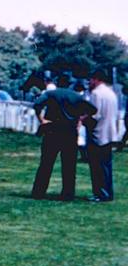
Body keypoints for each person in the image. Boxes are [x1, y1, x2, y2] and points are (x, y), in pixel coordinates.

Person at [31, 72, 95, 201]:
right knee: (69, 164)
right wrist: (80, 119)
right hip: (69, 132)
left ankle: (39, 191)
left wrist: (41, 119)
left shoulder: (50, 94)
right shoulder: (76, 96)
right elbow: (92, 109)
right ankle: (68, 193)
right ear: (70, 83)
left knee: (46, 163)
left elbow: (37, 104)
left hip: (52, 130)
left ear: (57, 81)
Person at [86, 70, 117, 202]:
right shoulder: (111, 93)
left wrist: (82, 121)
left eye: (90, 80)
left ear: (96, 79)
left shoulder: (96, 94)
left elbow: (95, 115)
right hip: (110, 133)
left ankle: (100, 193)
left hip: (98, 134)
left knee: (97, 166)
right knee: (106, 166)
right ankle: (108, 192)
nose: (89, 83)